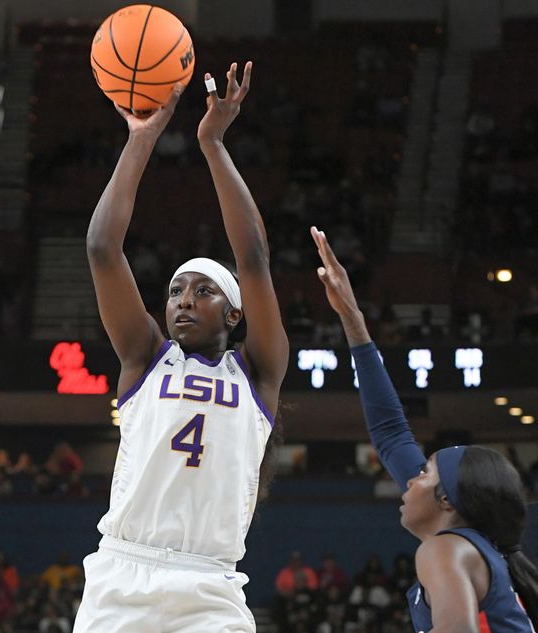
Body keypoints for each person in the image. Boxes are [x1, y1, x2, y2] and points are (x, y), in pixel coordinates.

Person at [74, 61, 289, 633]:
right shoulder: (145, 358)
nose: (184, 300)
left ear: (235, 312)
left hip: (210, 585)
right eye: (174, 291)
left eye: (203, 291)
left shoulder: (259, 374)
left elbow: (254, 260)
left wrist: (213, 143)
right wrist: (141, 139)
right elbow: (102, 248)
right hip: (123, 576)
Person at [310, 225, 538, 632]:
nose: (411, 481)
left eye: (425, 473)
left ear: (448, 500)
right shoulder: (475, 551)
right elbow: (391, 432)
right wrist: (353, 320)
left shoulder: (445, 550)